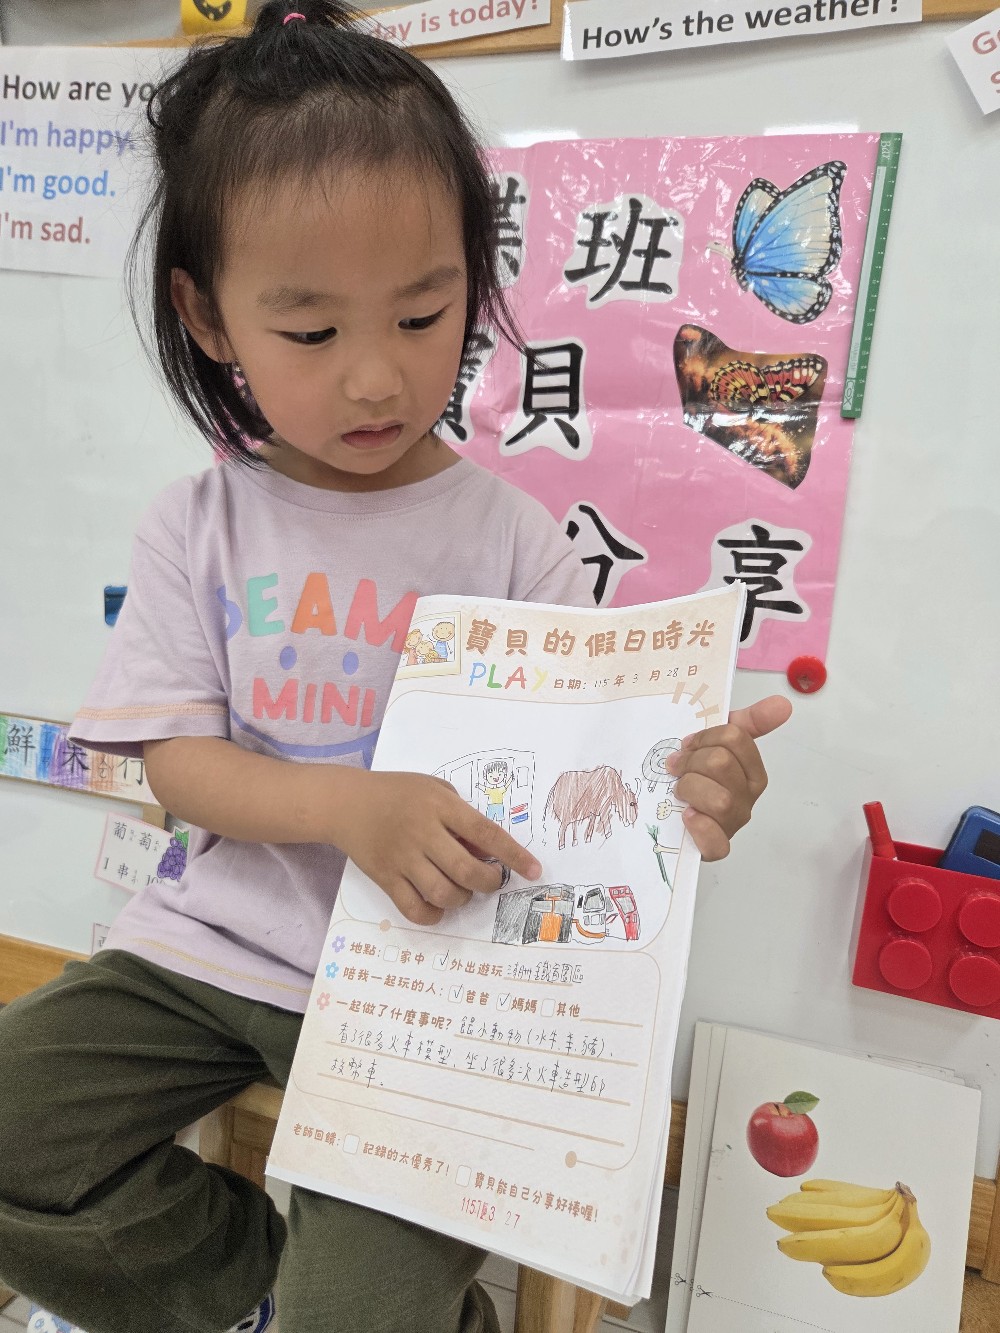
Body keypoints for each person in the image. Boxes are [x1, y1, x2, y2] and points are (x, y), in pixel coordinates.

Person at [0, 5, 792, 1332]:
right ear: (207, 316)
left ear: (472, 282)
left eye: (423, 314)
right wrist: (349, 806)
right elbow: (180, 764)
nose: (376, 377)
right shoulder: (199, 522)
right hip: (209, 949)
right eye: (310, 334)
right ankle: (250, 1298)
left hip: (436, 994)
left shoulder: (514, 539)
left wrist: (692, 783)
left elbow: (588, 777)